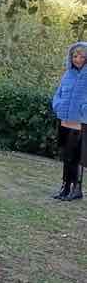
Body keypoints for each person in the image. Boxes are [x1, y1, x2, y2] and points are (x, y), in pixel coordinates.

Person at [51, 41, 87, 201]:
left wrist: (83, 111)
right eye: (74, 55)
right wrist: (57, 105)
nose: (77, 59)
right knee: (66, 155)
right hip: (64, 120)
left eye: (81, 56)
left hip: (80, 122)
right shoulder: (67, 74)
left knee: (76, 157)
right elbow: (58, 93)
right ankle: (65, 187)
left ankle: (76, 188)